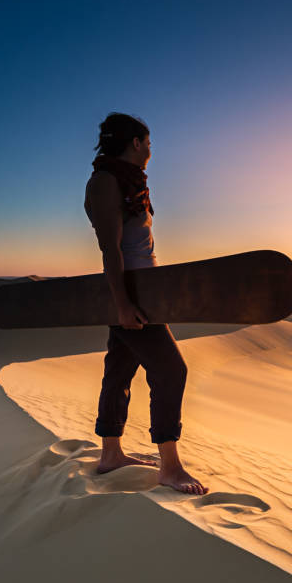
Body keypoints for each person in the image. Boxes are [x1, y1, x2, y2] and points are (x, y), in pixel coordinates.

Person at [84, 112, 208, 495]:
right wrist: (123, 304)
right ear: (136, 142)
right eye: (148, 143)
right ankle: (170, 467)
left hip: (143, 292)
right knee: (171, 369)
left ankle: (111, 455)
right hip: (131, 294)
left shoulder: (127, 182)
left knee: (119, 369)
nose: (151, 151)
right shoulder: (106, 182)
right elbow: (110, 249)